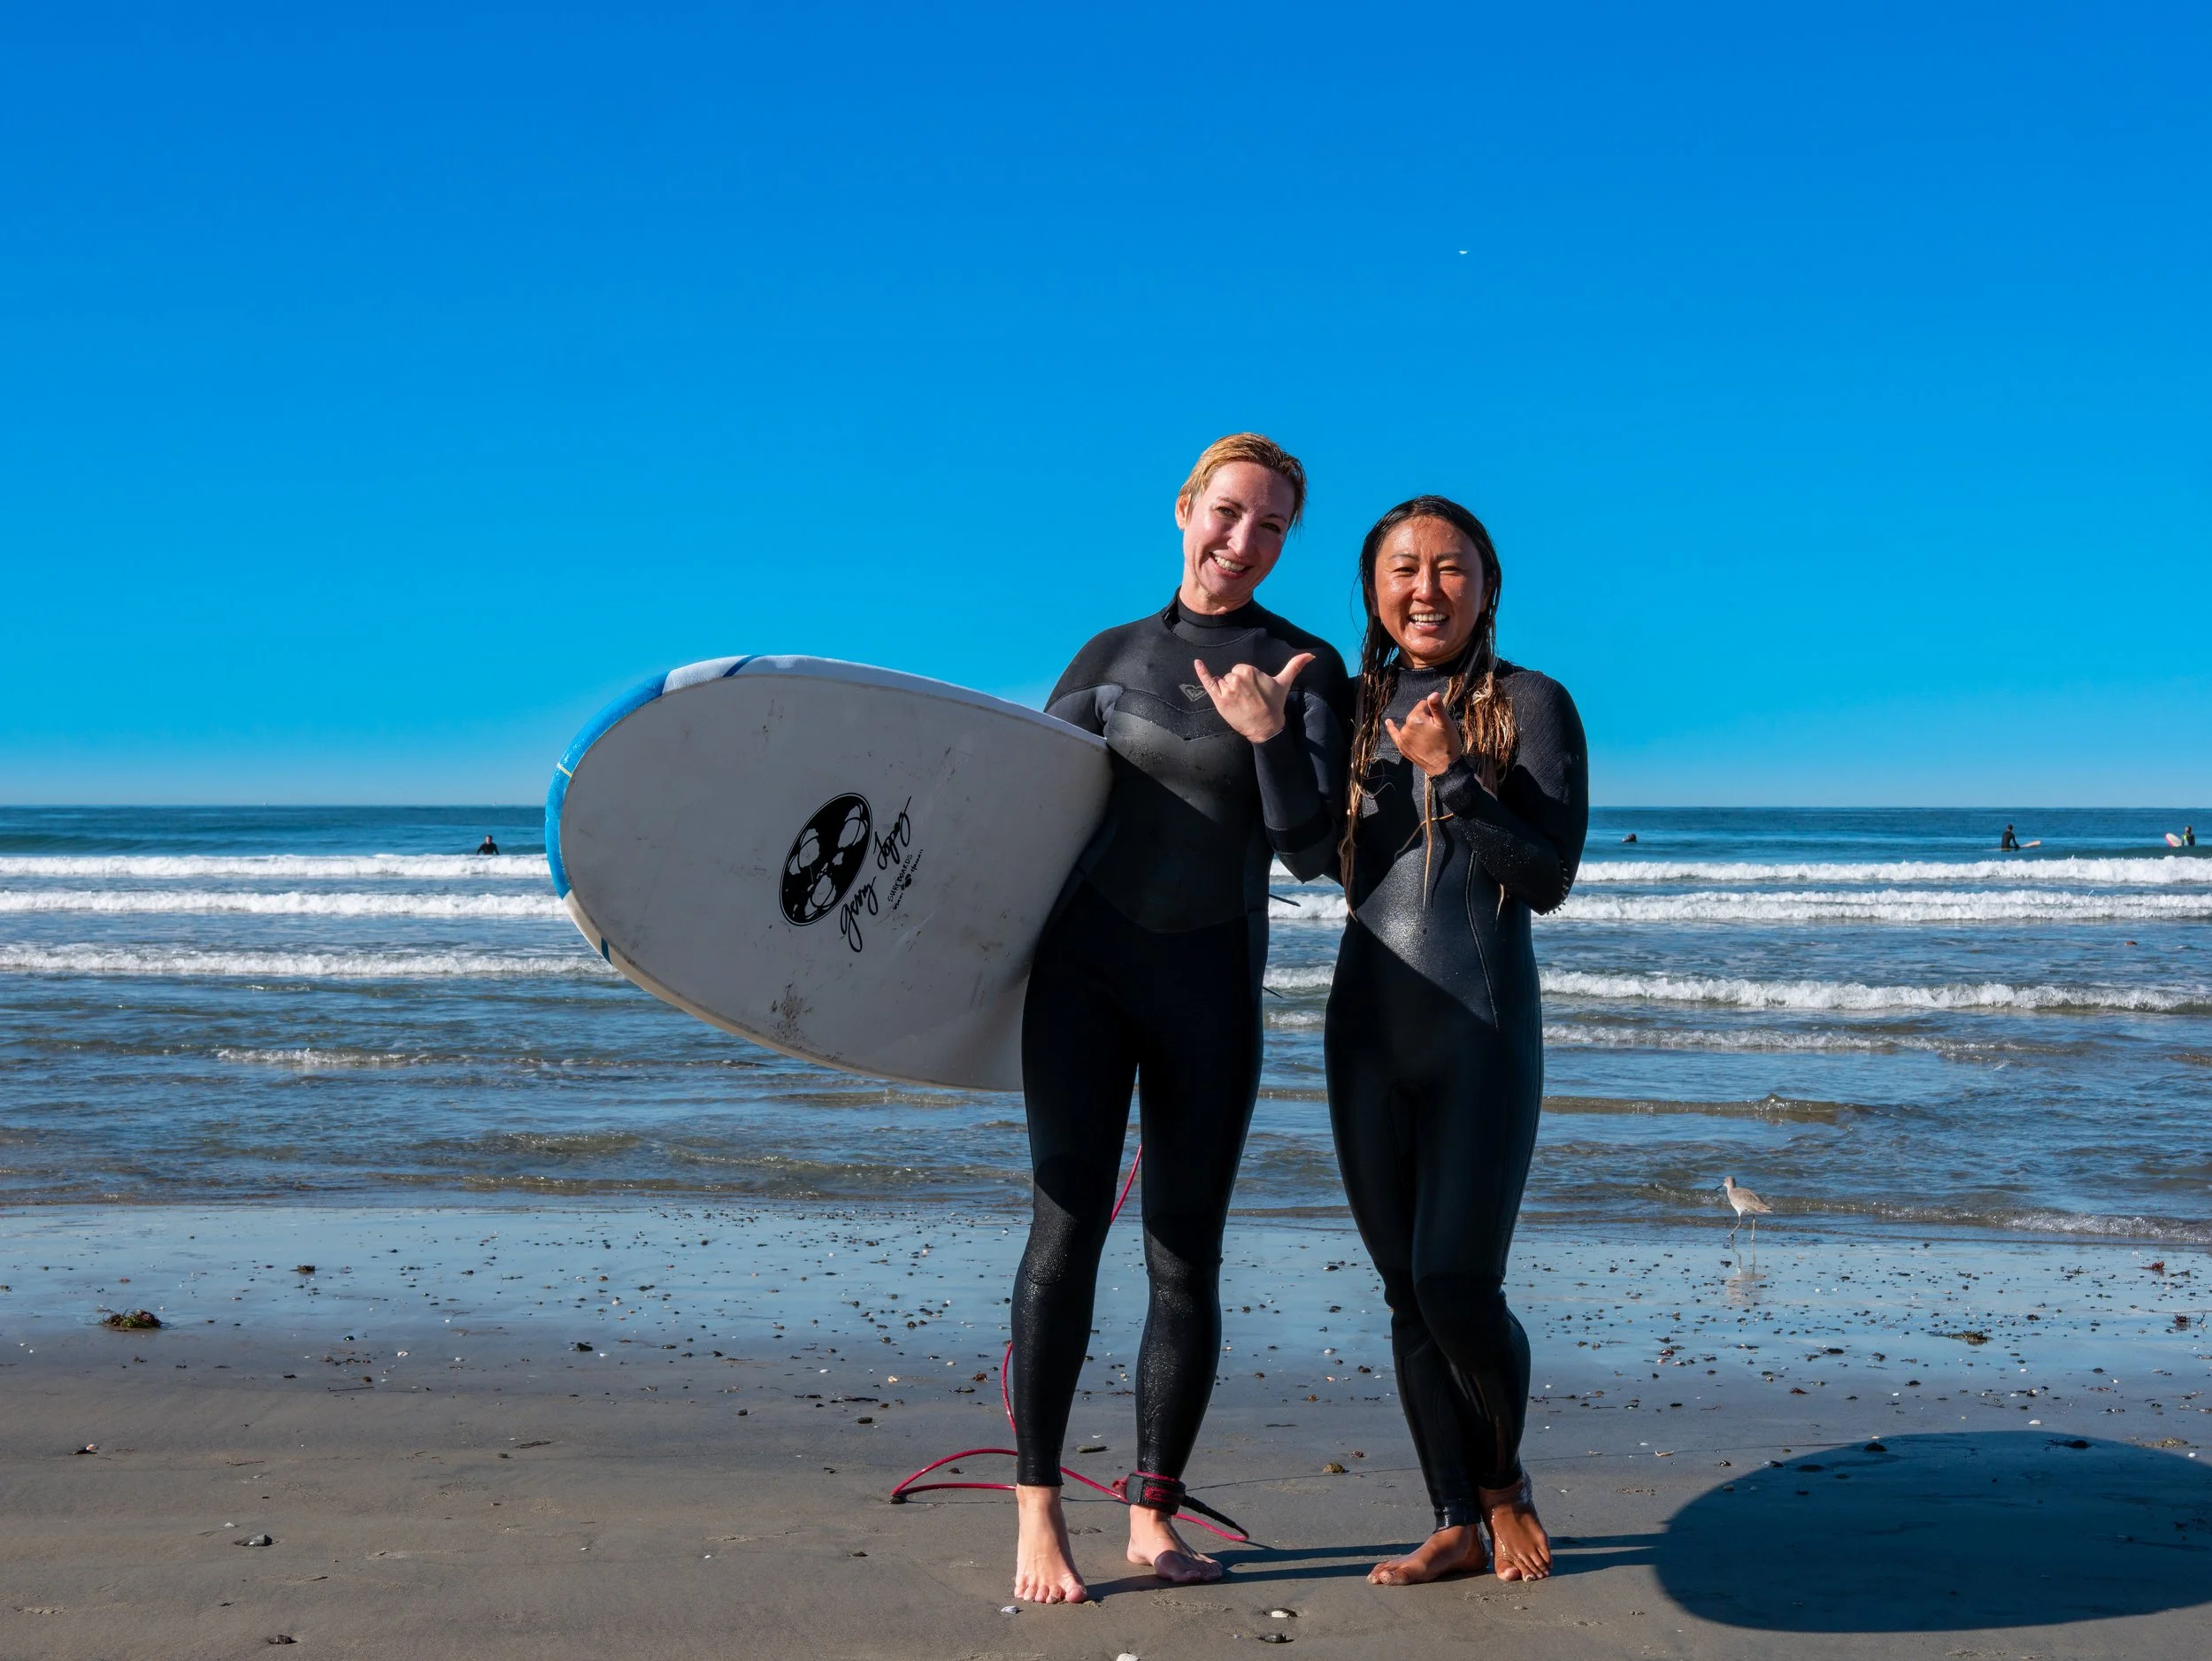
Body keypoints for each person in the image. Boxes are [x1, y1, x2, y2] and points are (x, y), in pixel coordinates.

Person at [1010, 434, 1351, 1603]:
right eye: (1227, 513)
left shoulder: (1306, 666)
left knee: (1184, 1259)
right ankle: (1038, 1519)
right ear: (1183, 511)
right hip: (1081, 985)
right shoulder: (1110, 656)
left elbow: (1312, 855)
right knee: (1063, 1240)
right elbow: (1017, 824)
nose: (1242, 541)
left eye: (1270, 526)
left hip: (1209, 994)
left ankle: (1153, 1516)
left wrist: (1267, 739)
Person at [1325, 496, 1587, 1586]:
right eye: (1401, 569)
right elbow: (1298, 848)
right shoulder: (1343, 707)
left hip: (1480, 1030)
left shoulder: (1533, 702)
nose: (1424, 588)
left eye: (1448, 568)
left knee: (1455, 1284)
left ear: (1485, 586)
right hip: (1364, 1034)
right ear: (1374, 587)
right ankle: (1451, 1518)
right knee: (1403, 1289)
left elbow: (1549, 875)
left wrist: (1448, 774)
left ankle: (1501, 1483)